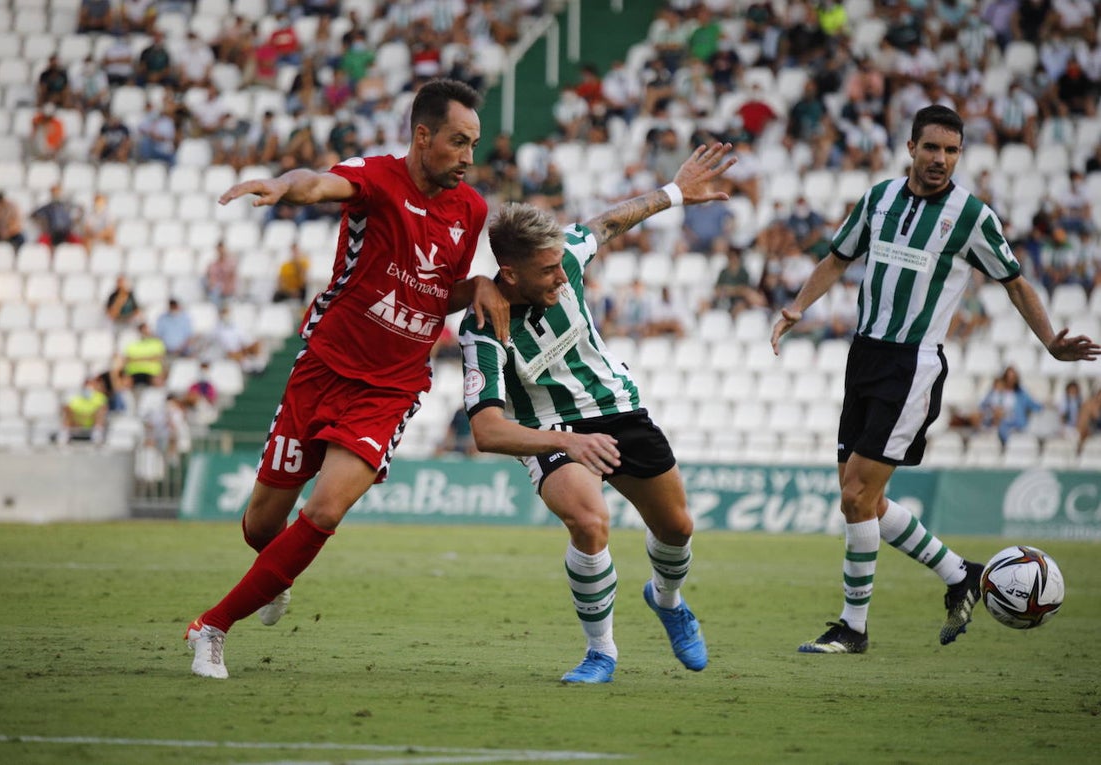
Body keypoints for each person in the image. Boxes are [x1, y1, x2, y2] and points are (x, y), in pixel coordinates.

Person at [183, 79, 509, 680]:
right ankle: (270, 578)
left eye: (474, 144)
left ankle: (212, 628)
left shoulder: (472, 210)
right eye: (459, 142)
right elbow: (319, 182)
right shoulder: (377, 177)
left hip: (390, 388)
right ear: (423, 136)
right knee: (261, 525)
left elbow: (440, 294)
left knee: (326, 511)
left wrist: (482, 286)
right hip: (323, 368)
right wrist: (282, 186)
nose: (469, 157)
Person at [770, 105, 1100, 655]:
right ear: (911, 148)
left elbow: (1015, 282)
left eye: (951, 151)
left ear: (959, 155)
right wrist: (797, 307)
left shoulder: (971, 216)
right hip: (864, 357)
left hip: (912, 365)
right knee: (862, 502)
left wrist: (1048, 340)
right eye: (931, 148)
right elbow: (837, 257)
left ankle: (853, 628)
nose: (940, 160)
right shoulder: (877, 200)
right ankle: (959, 573)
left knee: (857, 495)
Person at [458, 142, 737, 683]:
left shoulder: (563, 257)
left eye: (560, 265)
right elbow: (487, 431)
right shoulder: (482, 330)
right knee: (589, 522)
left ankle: (668, 600)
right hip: (550, 430)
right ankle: (601, 652)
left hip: (618, 408)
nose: (561, 278)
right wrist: (567, 444)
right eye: (546, 272)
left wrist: (676, 191)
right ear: (509, 275)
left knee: (677, 527)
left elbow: (609, 222)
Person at [57, 375, 109, 445]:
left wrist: (88, 415)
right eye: (87, 384)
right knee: (67, 411)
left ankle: (97, 435)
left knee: (100, 412)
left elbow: (102, 408)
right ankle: (64, 435)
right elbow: (70, 408)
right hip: (77, 423)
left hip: (92, 422)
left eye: (91, 384)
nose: (89, 387)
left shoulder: (100, 397)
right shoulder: (77, 398)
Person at [122, 322, 167, 388]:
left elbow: (158, 358)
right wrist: (148, 358)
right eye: (142, 329)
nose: (144, 331)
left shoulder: (157, 342)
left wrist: (138, 359)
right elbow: (128, 359)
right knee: (125, 381)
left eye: (145, 329)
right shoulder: (132, 342)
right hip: (134, 372)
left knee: (158, 380)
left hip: (152, 372)